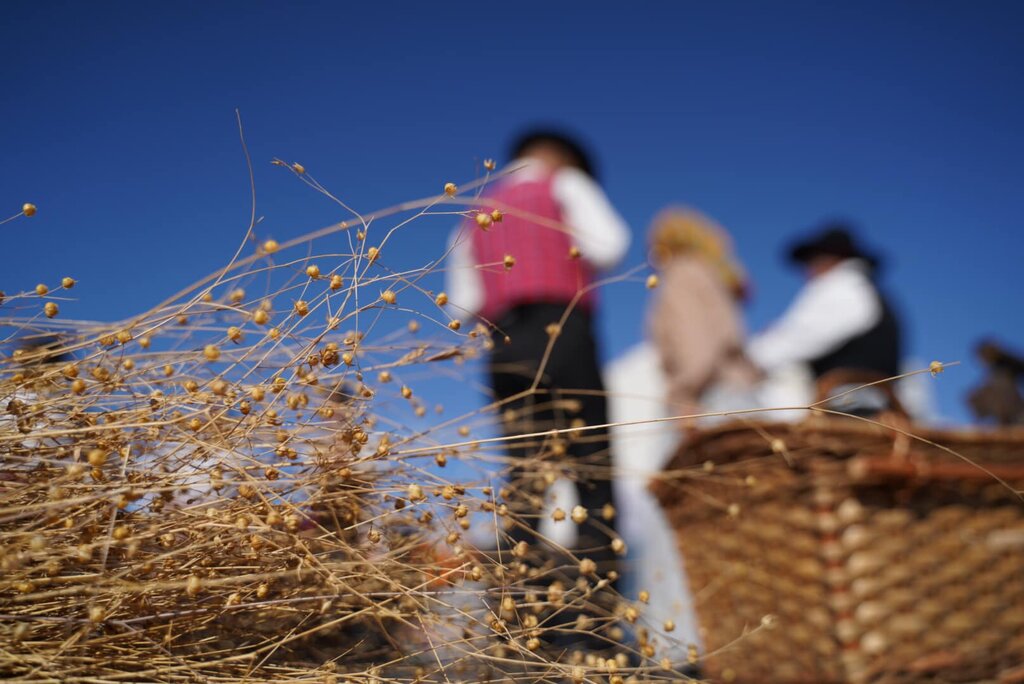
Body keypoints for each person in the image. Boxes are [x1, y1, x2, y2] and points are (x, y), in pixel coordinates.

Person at [445, 129, 630, 628]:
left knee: (525, 480)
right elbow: (611, 245)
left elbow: (460, 306)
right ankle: (600, 619)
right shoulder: (565, 183)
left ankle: (518, 622)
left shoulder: (475, 212)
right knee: (591, 468)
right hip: (563, 329)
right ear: (560, 156)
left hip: (505, 344)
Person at [748, 223, 902, 414]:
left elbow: (800, 338)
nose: (808, 270)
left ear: (831, 258)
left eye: (813, 260)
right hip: (860, 404)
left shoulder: (844, 287)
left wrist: (750, 358)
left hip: (851, 407)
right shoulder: (860, 288)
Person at [646, 208, 759, 423]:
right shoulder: (711, 274)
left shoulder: (680, 275)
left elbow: (695, 343)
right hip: (738, 390)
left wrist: (685, 394)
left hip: (708, 399)